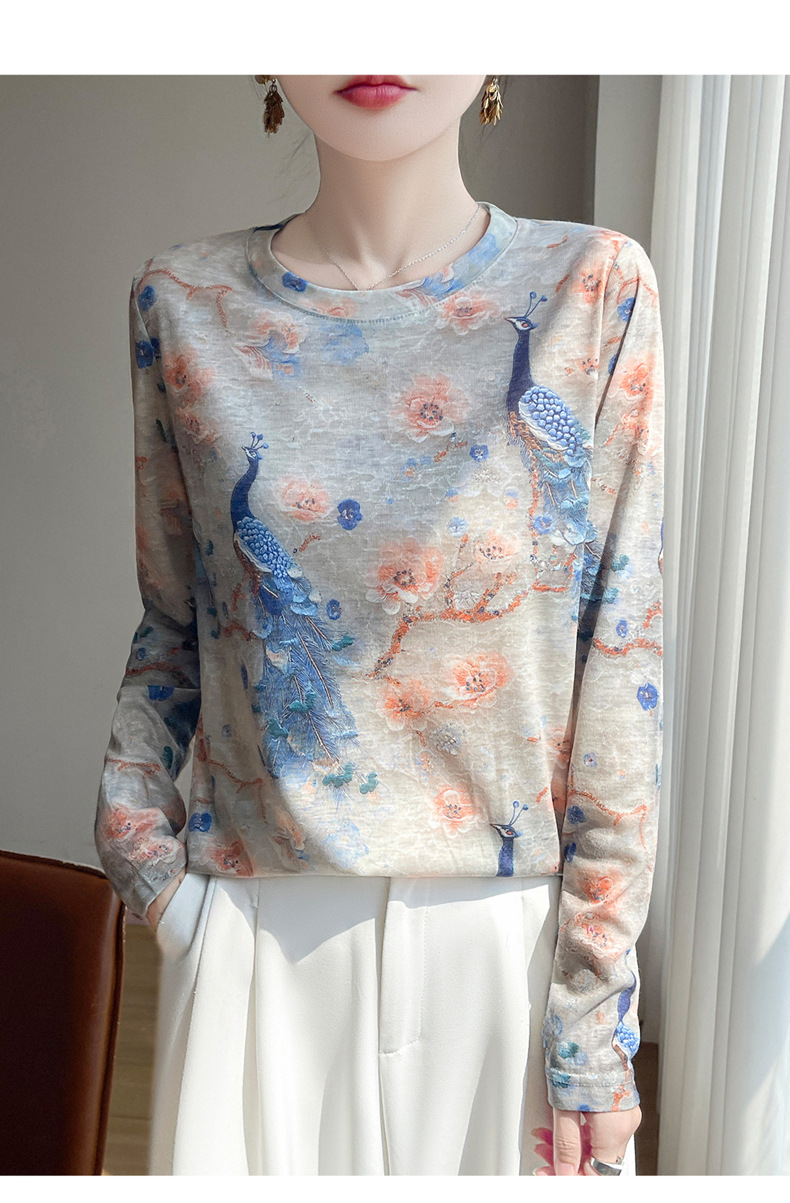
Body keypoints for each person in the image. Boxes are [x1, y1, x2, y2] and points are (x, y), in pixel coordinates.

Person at [94, 75, 664, 1177]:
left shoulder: (593, 287)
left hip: (511, 948)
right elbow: (172, 624)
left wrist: (594, 1019)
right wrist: (153, 871)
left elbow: (621, 649)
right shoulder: (183, 301)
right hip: (257, 945)